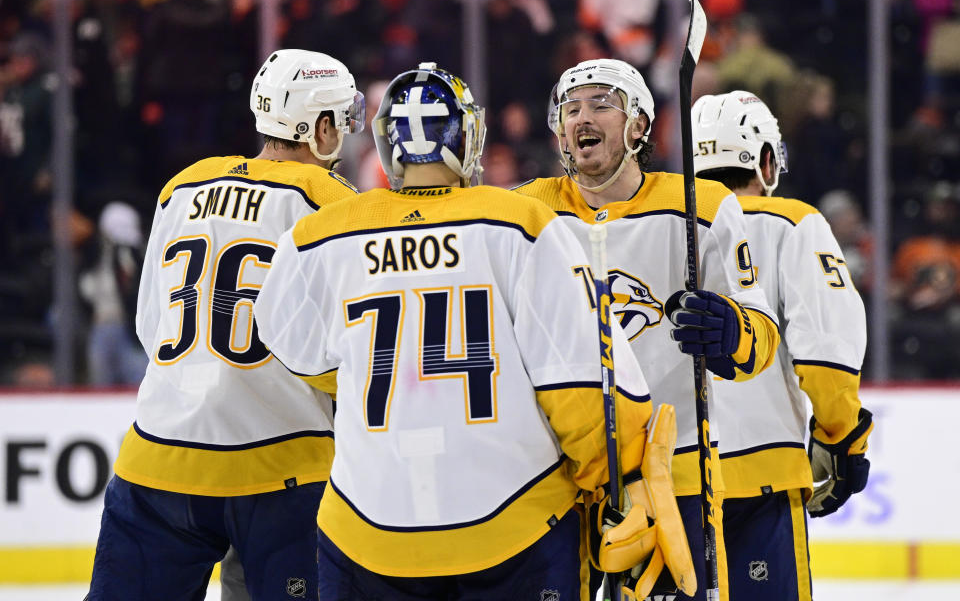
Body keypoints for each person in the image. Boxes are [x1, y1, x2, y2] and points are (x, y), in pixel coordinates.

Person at [254, 62, 695, 601]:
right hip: (516, 523)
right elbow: (581, 384)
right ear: (466, 136)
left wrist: (377, 374)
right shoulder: (521, 222)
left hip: (366, 530)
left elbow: (288, 341)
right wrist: (611, 478)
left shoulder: (320, 233)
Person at [86, 49, 365, 601]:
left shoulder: (182, 186)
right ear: (322, 126)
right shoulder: (332, 204)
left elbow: (151, 325)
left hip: (159, 458)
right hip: (281, 467)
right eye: (342, 118)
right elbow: (345, 355)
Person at [514, 58, 782, 601]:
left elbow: (760, 337)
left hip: (672, 471)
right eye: (571, 108)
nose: (581, 118)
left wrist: (729, 332)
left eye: (601, 104)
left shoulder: (701, 206)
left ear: (639, 126)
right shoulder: (523, 211)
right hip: (550, 480)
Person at [691, 90, 872, 601]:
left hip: (668, 482)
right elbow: (827, 352)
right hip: (760, 477)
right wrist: (844, 439)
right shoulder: (792, 221)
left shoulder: (651, 226)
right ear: (766, 160)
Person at [79, 201, 148, 386]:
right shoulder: (96, 256)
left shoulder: (137, 255)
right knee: (101, 382)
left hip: (132, 327)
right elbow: (87, 289)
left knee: (139, 380)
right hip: (102, 323)